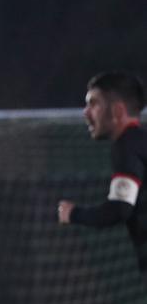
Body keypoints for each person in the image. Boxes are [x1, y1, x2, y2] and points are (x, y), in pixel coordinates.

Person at [58, 73, 146, 262]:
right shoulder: (139, 141)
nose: (86, 112)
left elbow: (120, 208)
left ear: (118, 111)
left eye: (94, 103)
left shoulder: (127, 146)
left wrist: (74, 213)